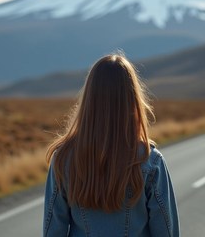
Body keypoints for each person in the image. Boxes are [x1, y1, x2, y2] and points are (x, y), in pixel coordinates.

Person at [43, 53, 180, 237]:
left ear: (89, 98)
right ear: (132, 99)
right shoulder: (149, 159)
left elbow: (53, 229)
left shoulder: (63, 158)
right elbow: (165, 230)